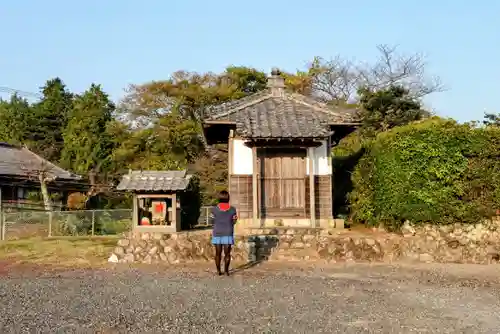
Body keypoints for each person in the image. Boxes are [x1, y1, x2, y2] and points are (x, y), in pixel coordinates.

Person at [209, 190, 237, 276]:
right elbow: (234, 221)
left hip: (217, 232)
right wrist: (229, 224)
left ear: (219, 198)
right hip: (228, 232)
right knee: (227, 254)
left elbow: (211, 221)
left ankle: (218, 271)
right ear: (228, 198)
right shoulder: (232, 209)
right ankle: (226, 271)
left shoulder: (214, 209)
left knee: (218, 253)